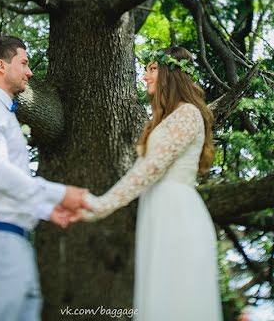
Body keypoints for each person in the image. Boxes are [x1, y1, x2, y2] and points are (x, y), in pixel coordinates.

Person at [83, 46, 222, 321]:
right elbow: (141, 169)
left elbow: (151, 168)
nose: (145, 77)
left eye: (152, 69)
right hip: (157, 215)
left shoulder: (188, 114)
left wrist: (102, 205)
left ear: (171, 73)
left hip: (178, 216)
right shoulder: (163, 122)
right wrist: (92, 205)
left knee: (176, 302)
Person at [0, 36, 91, 321]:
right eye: (24, 63)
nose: (30, 72)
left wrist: (45, 210)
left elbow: (7, 184)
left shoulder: (2, 115)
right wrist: (59, 194)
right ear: (2, 66)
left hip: (14, 244)